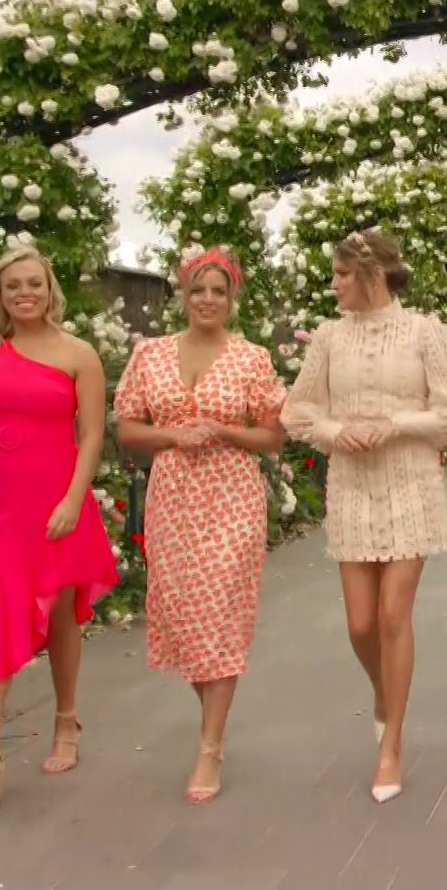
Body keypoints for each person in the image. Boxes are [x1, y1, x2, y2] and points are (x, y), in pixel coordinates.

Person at [282, 229, 447, 804]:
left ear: (374, 274)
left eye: (343, 274)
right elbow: (297, 412)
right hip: (351, 488)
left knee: (394, 615)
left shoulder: (423, 331)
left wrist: (396, 425)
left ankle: (391, 743)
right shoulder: (328, 338)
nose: (335, 284)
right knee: (360, 625)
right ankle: (384, 691)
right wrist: (336, 431)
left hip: (410, 485)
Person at [0, 245, 120, 807]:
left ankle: (66, 720)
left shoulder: (79, 354)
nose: (24, 293)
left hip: (56, 499)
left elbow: (91, 435)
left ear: (49, 288)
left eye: (33, 283)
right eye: (13, 285)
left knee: (58, 612)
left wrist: (73, 499)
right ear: (1, 295)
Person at [112, 246, 287, 804]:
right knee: (185, 619)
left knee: (220, 616)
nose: (208, 300)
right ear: (182, 297)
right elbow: (127, 428)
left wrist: (223, 430)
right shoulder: (151, 355)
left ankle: (209, 747)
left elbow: (272, 436)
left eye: (218, 291)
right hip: (172, 500)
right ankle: (214, 717)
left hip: (231, 498)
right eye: (198, 291)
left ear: (232, 299)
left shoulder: (251, 358)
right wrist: (172, 435)